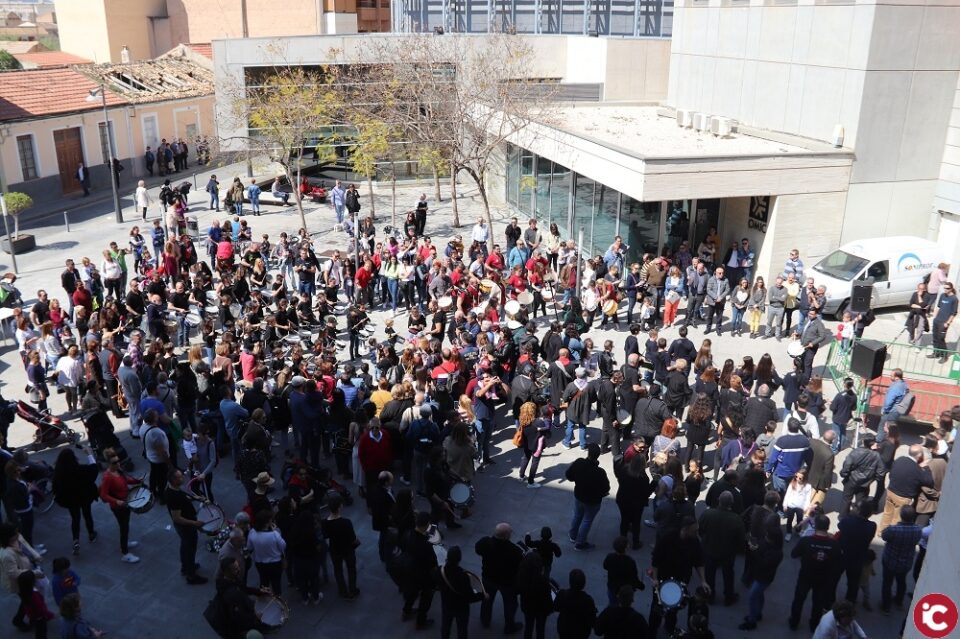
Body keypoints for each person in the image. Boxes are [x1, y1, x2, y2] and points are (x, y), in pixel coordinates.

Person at [649, 516, 709, 636]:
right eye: (694, 530)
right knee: (657, 607)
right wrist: (655, 579)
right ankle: (652, 630)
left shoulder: (694, 541)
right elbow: (656, 560)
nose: (696, 533)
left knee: (674, 609)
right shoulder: (668, 538)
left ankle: (669, 627)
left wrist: (703, 580)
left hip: (681, 580)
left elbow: (699, 561)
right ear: (685, 529)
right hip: (663, 579)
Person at [788, 514, 842, 632]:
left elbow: (793, 554)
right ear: (828, 527)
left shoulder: (806, 541)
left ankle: (794, 622)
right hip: (823, 578)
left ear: (815, 526)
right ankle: (814, 625)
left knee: (799, 599)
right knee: (818, 603)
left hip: (806, 575)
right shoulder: (834, 545)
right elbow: (837, 562)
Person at [698, 491, 745, 605]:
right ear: (731, 503)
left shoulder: (707, 514)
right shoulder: (736, 519)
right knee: (728, 574)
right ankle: (729, 597)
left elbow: (700, 531)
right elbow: (740, 539)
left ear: (719, 500)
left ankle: (710, 595)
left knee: (709, 573)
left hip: (709, 549)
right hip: (727, 552)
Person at [475, 522, 524, 634]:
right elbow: (519, 568)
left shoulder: (485, 542)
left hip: (488, 579)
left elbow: (477, 550)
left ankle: (485, 620)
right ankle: (509, 627)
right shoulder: (514, 551)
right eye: (510, 532)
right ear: (506, 536)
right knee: (510, 604)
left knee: (487, 600)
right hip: (507, 583)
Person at [51, 447, 99, 557]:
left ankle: (76, 540)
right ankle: (91, 534)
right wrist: (89, 454)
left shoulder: (58, 474)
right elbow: (93, 469)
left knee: (75, 519)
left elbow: (55, 488)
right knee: (87, 515)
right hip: (84, 497)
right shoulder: (80, 469)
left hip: (70, 500)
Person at [98, 448, 142, 563]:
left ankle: (125, 543)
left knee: (125, 526)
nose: (117, 464)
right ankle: (125, 553)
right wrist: (116, 501)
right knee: (124, 527)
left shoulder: (118, 470)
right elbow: (103, 495)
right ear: (108, 463)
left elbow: (125, 480)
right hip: (118, 507)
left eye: (118, 461)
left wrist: (136, 481)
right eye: (114, 462)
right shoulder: (107, 477)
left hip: (125, 503)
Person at [164, 469, 207, 585]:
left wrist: (197, 498)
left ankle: (186, 567)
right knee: (190, 550)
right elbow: (177, 518)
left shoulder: (174, 489)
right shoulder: (173, 496)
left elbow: (185, 497)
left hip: (185, 526)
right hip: (186, 526)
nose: (182, 478)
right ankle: (191, 576)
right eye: (179, 477)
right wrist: (195, 524)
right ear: (173, 480)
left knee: (185, 547)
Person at [877, 444, 933, 535]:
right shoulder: (917, 469)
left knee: (887, 513)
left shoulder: (900, 459)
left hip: (891, 492)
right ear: (919, 456)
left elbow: (891, 475)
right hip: (903, 498)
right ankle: (892, 535)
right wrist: (926, 467)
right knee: (897, 518)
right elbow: (929, 482)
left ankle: (881, 532)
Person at [738, 525, 784, 631]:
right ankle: (757, 613)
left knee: (752, 596)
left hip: (764, 577)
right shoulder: (768, 544)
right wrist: (752, 544)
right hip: (759, 574)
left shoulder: (777, 553)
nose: (765, 537)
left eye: (767, 536)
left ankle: (751, 621)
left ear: (772, 539)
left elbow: (763, 564)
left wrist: (754, 550)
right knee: (758, 594)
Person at [565, 444, 610, 550]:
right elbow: (605, 489)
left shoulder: (579, 463)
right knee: (587, 521)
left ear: (588, 453)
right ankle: (580, 543)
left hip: (579, 496)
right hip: (593, 501)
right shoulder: (600, 472)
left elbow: (569, 476)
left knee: (577, 516)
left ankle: (573, 535)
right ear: (598, 456)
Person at [880, 505, 922, 613]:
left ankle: (886, 606)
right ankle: (899, 600)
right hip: (906, 563)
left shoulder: (893, 529)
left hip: (890, 561)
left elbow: (884, 536)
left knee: (887, 583)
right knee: (901, 582)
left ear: (901, 516)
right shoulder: (918, 530)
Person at [437, 545, 484, 639]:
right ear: (459, 559)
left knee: (445, 626)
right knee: (462, 629)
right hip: (460, 608)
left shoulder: (440, 571)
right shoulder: (463, 576)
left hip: (447, 604)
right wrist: (482, 596)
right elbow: (470, 597)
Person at [402, 511, 438, 629]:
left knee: (412, 594)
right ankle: (421, 622)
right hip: (424, 576)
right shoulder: (425, 545)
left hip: (409, 571)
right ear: (427, 525)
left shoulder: (408, 534)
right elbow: (433, 563)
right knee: (426, 598)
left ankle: (406, 611)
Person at [322, 493, 360, 599]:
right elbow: (352, 538)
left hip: (334, 549)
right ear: (340, 507)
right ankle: (352, 589)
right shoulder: (346, 522)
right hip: (348, 549)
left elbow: (326, 536)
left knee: (338, 570)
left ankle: (343, 591)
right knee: (351, 568)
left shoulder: (324, 523)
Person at [837, 501, 876, 605]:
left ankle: (829, 600)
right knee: (853, 583)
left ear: (858, 511)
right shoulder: (872, 526)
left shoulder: (848, 521)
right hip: (858, 558)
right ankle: (849, 602)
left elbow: (840, 525)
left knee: (834, 578)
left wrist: (851, 514)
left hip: (843, 555)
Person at [838, 435, 884, 518]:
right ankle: (858, 518)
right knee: (861, 502)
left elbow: (847, 464)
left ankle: (842, 517)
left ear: (863, 442)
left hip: (851, 480)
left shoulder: (856, 452)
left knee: (846, 499)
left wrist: (844, 474)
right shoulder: (877, 456)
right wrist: (873, 479)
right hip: (864, 484)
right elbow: (881, 472)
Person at [613, 454, 651, 550]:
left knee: (624, 520)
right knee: (636, 522)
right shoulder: (643, 478)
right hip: (636, 504)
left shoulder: (624, 470)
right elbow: (646, 493)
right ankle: (635, 542)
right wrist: (654, 484)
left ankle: (622, 541)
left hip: (623, 500)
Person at [765, 418, 812, 495]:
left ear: (788, 427)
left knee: (780, 494)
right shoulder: (805, 441)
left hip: (780, 473)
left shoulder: (781, 440)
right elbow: (808, 458)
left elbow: (773, 459)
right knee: (792, 493)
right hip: (796, 473)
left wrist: (768, 470)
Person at [516, 552, 553, 639]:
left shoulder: (521, 577)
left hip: (527, 607)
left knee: (528, 627)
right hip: (541, 610)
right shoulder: (543, 582)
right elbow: (547, 598)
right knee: (540, 629)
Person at [553, 569, 596, 639]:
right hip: (581, 632)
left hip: (565, 629)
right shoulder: (588, 600)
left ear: (570, 582)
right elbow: (592, 620)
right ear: (583, 584)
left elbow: (556, 607)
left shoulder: (563, 594)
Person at [602, 536, 643, 608]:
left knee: (612, 603)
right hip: (624, 590)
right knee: (624, 605)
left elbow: (605, 566)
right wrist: (641, 586)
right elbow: (634, 577)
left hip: (612, 587)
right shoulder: (630, 562)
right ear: (626, 548)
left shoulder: (610, 557)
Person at [929, 281, 956, 362]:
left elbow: (953, 313)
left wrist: (947, 323)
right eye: (944, 288)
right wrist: (934, 318)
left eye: (947, 288)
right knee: (935, 337)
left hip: (944, 322)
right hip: (937, 320)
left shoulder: (954, 299)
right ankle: (936, 353)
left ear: (951, 289)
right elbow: (938, 307)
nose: (945, 290)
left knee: (941, 339)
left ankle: (944, 356)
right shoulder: (942, 295)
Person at [703, 267, 730, 334]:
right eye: (720, 273)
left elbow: (727, 289)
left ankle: (718, 329)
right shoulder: (711, 279)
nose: (721, 274)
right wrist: (716, 297)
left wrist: (721, 297)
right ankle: (708, 329)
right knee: (710, 316)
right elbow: (708, 290)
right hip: (712, 301)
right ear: (716, 273)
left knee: (719, 316)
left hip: (721, 301)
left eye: (722, 273)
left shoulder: (726, 280)